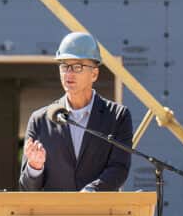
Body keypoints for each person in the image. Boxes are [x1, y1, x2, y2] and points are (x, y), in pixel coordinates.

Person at [19, 31, 134, 192]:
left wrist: (91, 191)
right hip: (53, 215)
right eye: (64, 66)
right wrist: (35, 167)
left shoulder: (117, 117)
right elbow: (26, 188)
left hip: (99, 214)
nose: (69, 73)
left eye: (77, 66)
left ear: (94, 74)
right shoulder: (40, 120)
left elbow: (119, 168)